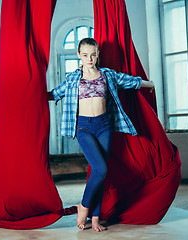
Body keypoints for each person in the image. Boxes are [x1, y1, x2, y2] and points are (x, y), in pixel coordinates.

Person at [48, 38, 155, 232]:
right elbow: (55, 94)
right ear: (79, 55)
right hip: (83, 129)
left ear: (98, 54)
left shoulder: (107, 75)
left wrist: (149, 84)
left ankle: (95, 218)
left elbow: (130, 81)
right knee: (100, 169)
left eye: (93, 54)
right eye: (85, 55)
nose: (90, 58)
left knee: (100, 174)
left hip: (104, 126)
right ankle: (84, 206)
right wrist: (30, 92)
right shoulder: (73, 78)